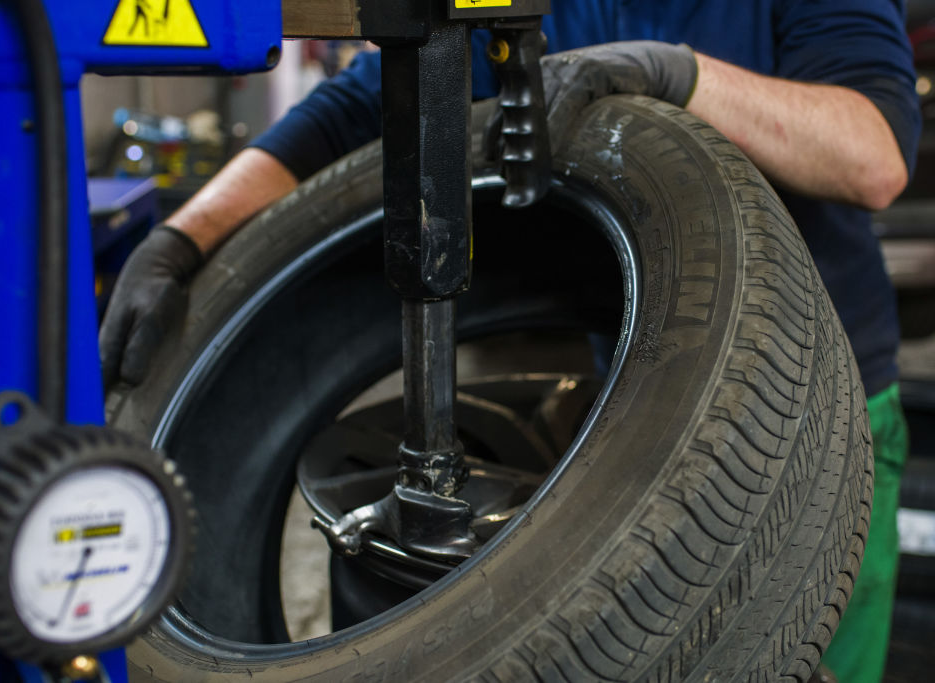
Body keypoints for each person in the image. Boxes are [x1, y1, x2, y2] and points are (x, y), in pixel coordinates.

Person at [99, 2, 919, 681]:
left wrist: (677, 74)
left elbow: (873, 154)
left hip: (814, 402)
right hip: (629, 388)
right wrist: (184, 236)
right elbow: (354, 111)